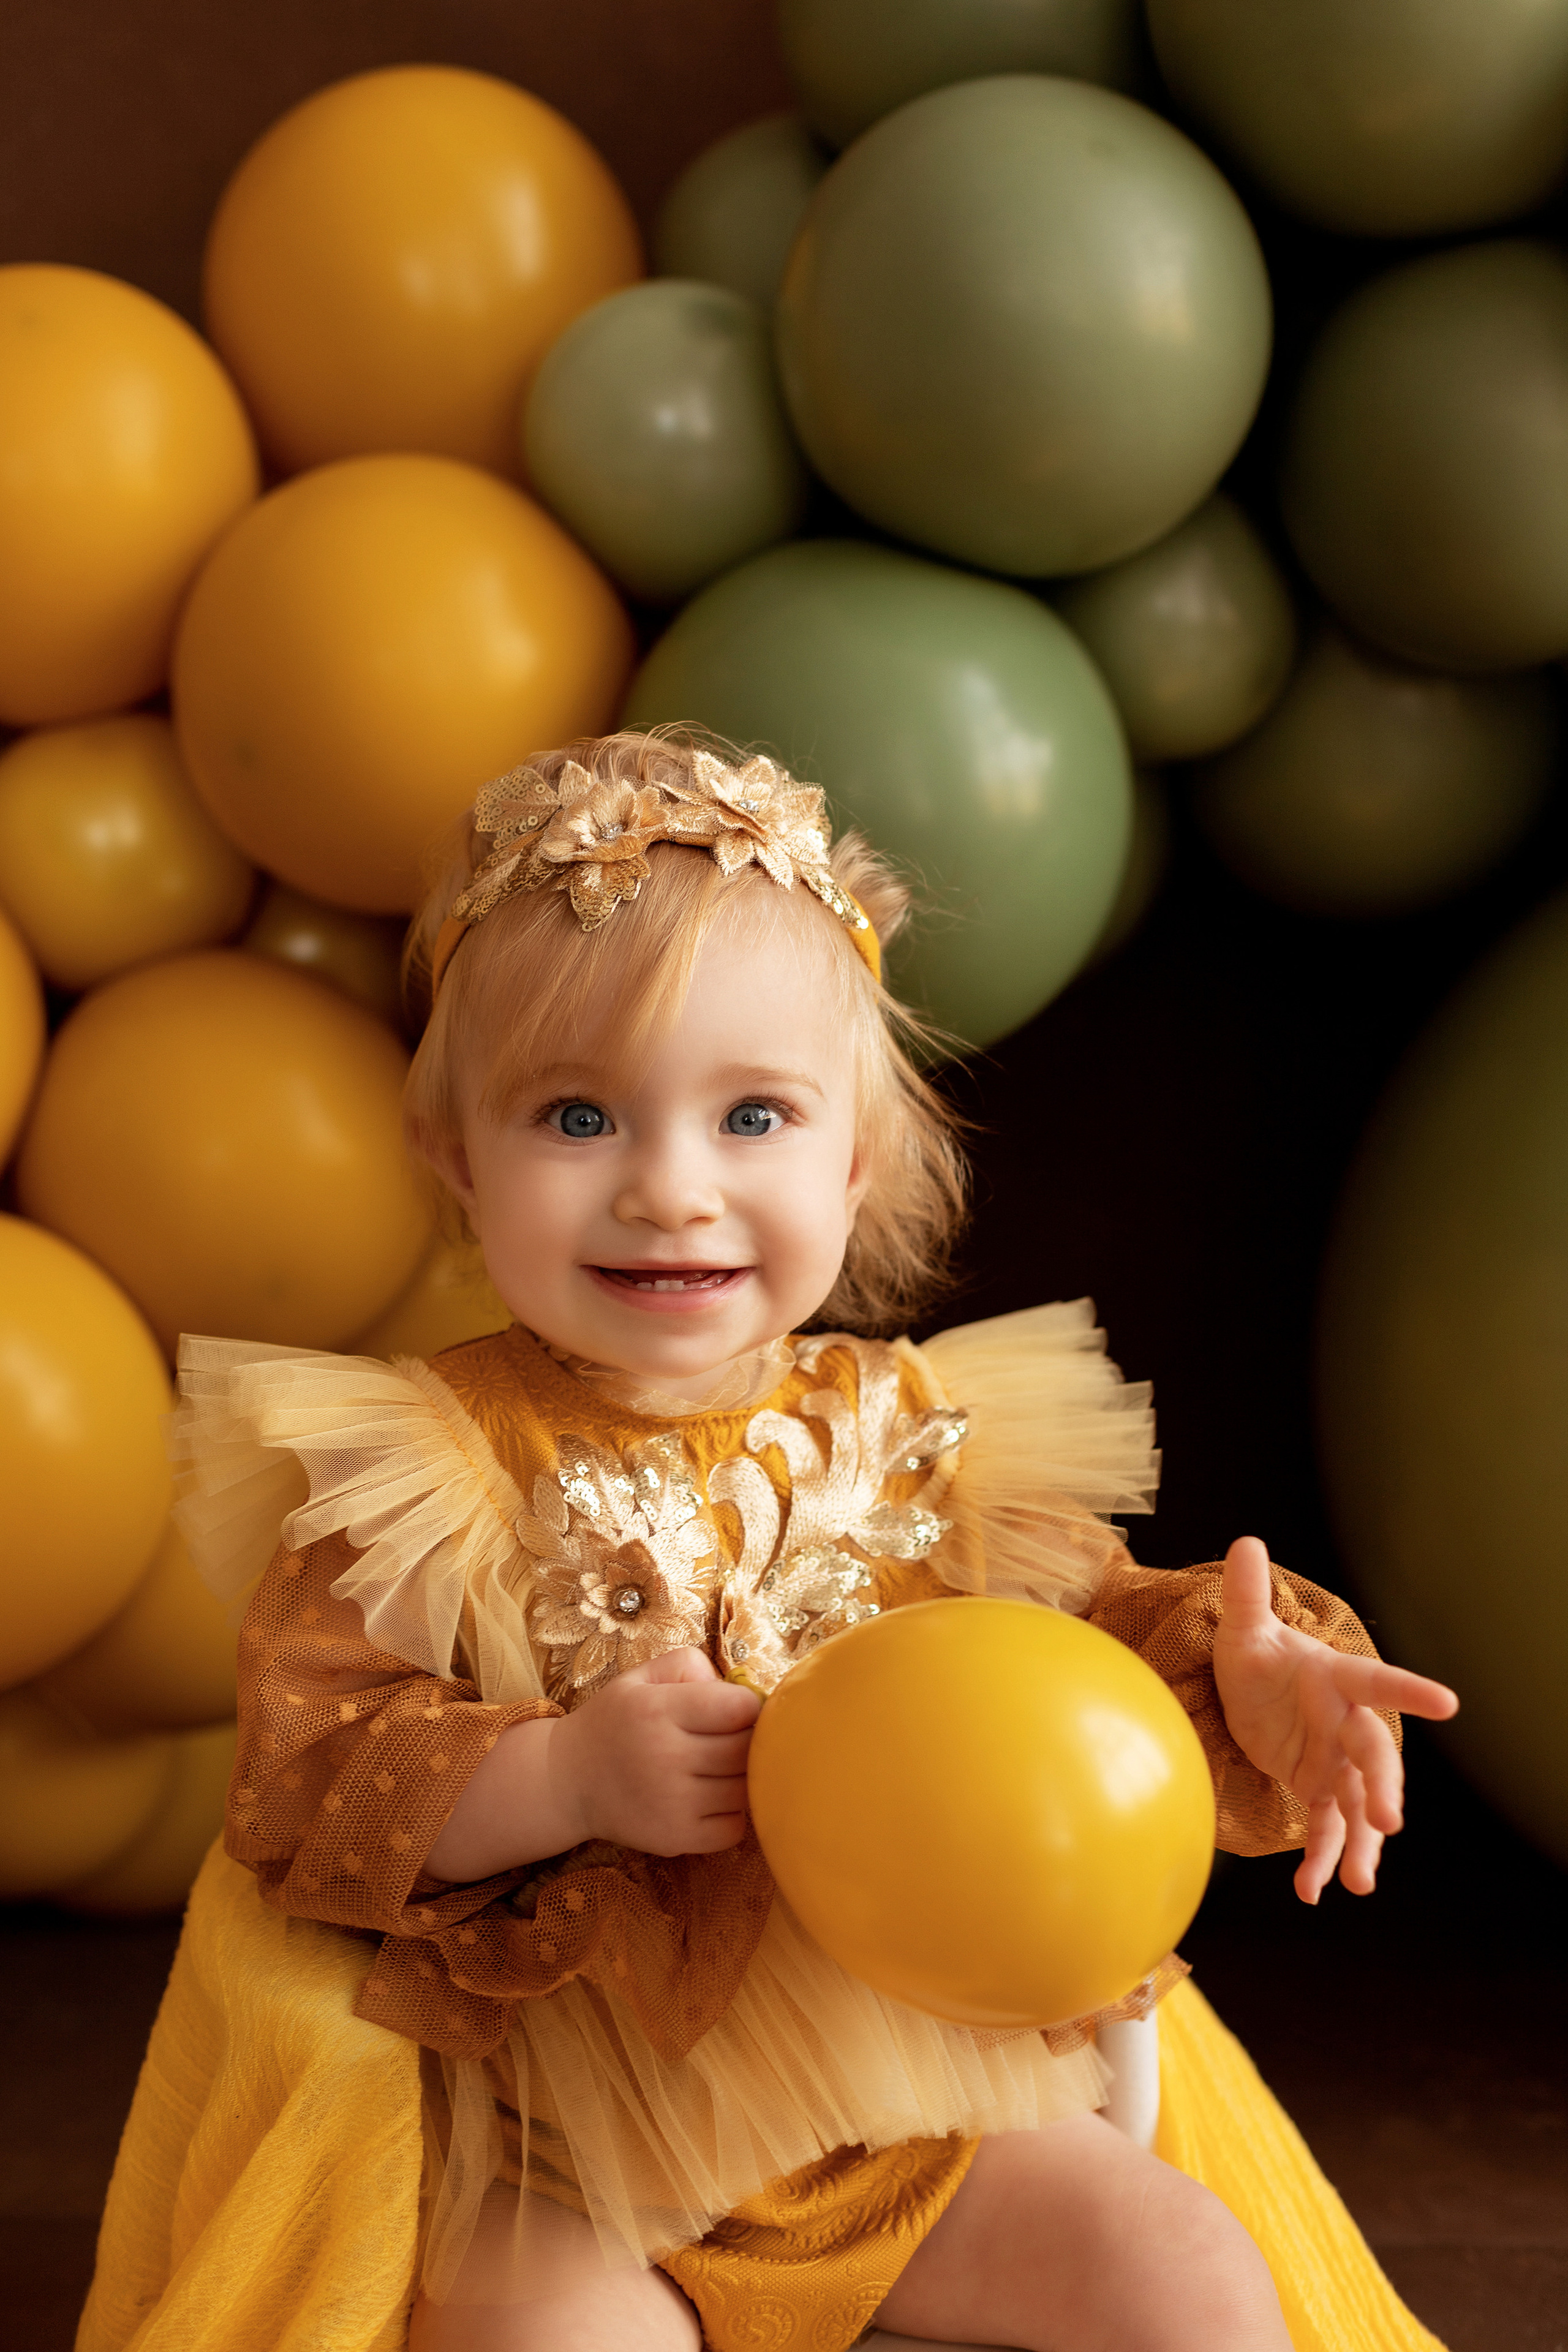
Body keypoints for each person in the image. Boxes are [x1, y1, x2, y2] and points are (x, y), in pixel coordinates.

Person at [85, 729, 1457, 2352]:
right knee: (543, 2340)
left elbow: (1093, 1657)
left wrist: (1249, 1684)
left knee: (1189, 2276)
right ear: (459, 1157)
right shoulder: (426, 1464)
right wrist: (562, 1781)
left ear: (855, 1156)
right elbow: (305, 1774)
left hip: (916, 2111)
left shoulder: (922, 1436)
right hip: (557, 2150)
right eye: (578, 1118)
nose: (671, 1190)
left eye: (753, 1117)